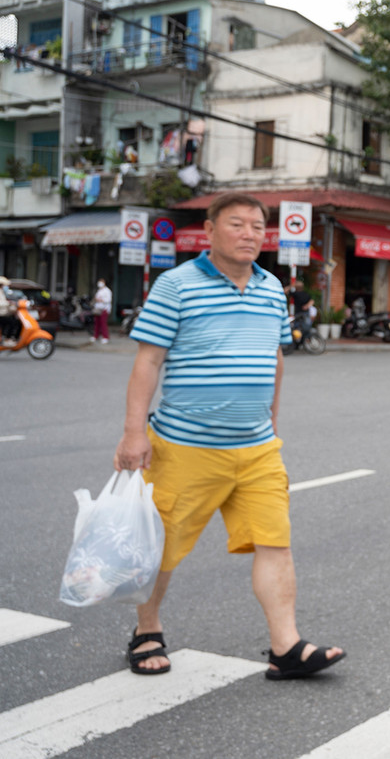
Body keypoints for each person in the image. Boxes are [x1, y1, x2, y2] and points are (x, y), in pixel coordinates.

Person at [117, 192, 344, 679]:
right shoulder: (176, 285)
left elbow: (275, 359)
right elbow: (148, 361)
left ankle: (286, 647)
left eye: (257, 227)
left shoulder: (271, 289)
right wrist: (133, 432)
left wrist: (273, 423)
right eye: (237, 224)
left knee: (275, 542)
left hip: (258, 447)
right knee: (161, 546)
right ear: (210, 230)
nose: (249, 234)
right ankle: (146, 630)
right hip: (184, 447)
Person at [92, 277, 112, 344]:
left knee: (103, 323)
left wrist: (101, 300)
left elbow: (108, 300)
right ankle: (96, 336)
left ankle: (105, 337)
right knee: (97, 323)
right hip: (98, 309)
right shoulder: (99, 290)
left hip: (104, 309)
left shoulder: (107, 291)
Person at [0, 276, 18, 346]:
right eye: (5, 285)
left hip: (3, 314)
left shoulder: (2, 292)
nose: (6, 287)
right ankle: (7, 339)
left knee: (14, 320)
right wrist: (9, 303)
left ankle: (7, 338)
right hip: (1, 315)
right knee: (12, 322)